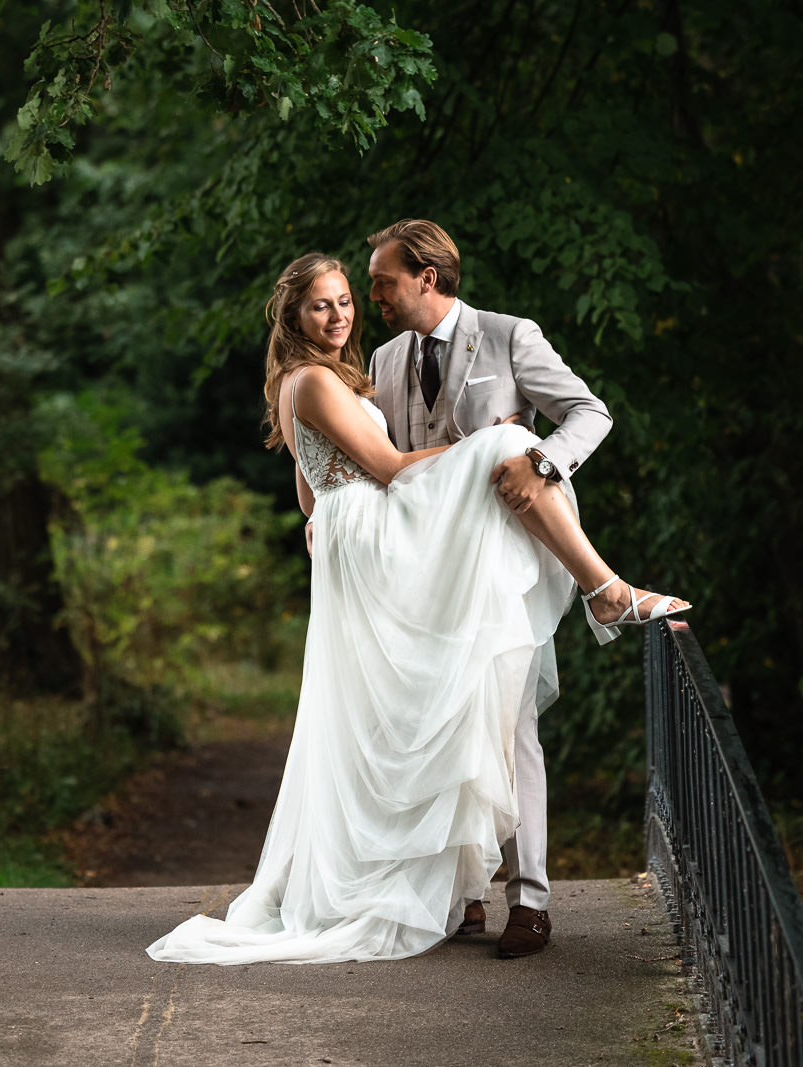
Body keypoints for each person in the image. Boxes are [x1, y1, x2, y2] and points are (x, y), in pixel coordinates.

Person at [144, 253, 687, 967]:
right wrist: (472, 447)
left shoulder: (324, 376)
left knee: (441, 699)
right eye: (323, 305)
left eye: (348, 299)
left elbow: (311, 494)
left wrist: (328, 509)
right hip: (380, 529)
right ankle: (605, 588)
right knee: (511, 444)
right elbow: (394, 467)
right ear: (293, 316)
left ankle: (481, 887)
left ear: (427, 278)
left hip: (359, 531)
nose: (343, 313)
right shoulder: (316, 378)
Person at [362, 218, 618, 957]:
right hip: (427, 573)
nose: (372, 291)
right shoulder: (382, 359)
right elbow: (387, 462)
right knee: (439, 723)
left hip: (507, 569)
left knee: (510, 728)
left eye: (382, 279)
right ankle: (463, 893)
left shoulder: (508, 336)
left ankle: (529, 899)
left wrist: (541, 461)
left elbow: (590, 413)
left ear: (426, 278)